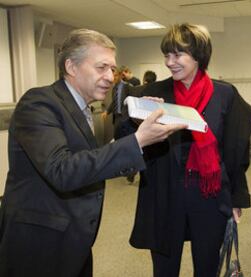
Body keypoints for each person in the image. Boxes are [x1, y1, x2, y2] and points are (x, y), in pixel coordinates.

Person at [0, 28, 185, 277]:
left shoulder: (83, 108)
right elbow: (62, 169)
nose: (110, 77)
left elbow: (95, 158)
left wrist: (137, 122)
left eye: (112, 69)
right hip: (39, 243)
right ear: (71, 67)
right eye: (102, 67)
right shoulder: (39, 103)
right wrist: (138, 141)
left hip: (73, 240)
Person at [123, 23, 251, 277]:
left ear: (198, 55)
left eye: (177, 55)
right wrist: (138, 119)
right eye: (166, 55)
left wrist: (237, 198)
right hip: (164, 193)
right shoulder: (154, 93)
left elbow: (235, 150)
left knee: (207, 265)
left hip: (209, 194)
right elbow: (126, 139)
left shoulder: (224, 94)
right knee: (164, 268)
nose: (169, 62)